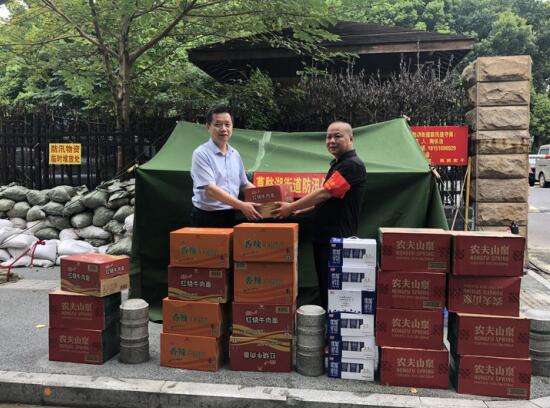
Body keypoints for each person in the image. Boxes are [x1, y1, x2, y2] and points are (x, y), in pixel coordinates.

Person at [272, 121, 367, 309]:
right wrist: (301, 210)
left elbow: (325, 193)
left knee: (333, 289)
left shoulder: (352, 165)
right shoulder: (339, 164)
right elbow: (331, 198)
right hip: (325, 237)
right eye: (328, 136)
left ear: (351, 138)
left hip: (336, 238)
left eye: (337, 136)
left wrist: (290, 208)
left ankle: (333, 326)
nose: (331, 141)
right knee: (326, 286)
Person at [190, 106, 262, 228]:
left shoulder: (235, 154)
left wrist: (266, 197)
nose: (223, 129)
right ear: (208, 127)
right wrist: (242, 205)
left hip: (230, 214)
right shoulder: (201, 154)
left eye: (227, 124)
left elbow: (244, 184)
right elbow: (211, 190)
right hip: (206, 216)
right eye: (218, 124)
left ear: (232, 127)